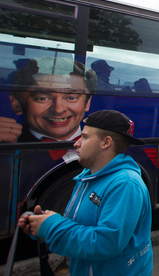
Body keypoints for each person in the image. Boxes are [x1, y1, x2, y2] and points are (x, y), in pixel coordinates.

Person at [18, 110, 152, 276]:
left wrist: (52, 227)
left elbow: (106, 243)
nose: (76, 143)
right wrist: (43, 224)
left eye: (85, 137)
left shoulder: (125, 184)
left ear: (106, 142)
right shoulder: (88, 177)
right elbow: (79, 226)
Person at [1, 56, 97, 163]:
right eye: (43, 98)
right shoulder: (10, 145)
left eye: (71, 97)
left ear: (87, 102)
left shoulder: (103, 142)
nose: (58, 109)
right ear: (16, 104)